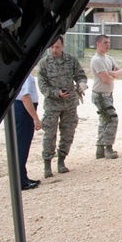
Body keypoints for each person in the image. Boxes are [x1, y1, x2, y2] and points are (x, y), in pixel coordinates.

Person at [37, 35, 88, 177]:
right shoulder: (44, 63)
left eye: (57, 47)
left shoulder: (71, 60)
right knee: (49, 135)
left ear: (63, 46)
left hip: (70, 104)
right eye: (52, 47)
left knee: (68, 133)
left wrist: (82, 84)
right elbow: (42, 85)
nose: (54, 50)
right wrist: (56, 93)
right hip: (52, 105)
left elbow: (80, 75)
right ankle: (47, 164)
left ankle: (61, 160)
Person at [90, 34, 122, 160]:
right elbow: (106, 79)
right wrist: (113, 75)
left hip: (108, 95)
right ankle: (108, 148)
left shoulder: (108, 58)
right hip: (100, 96)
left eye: (108, 42)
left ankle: (100, 150)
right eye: (105, 42)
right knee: (112, 119)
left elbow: (119, 72)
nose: (107, 45)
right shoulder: (97, 60)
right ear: (98, 44)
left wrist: (111, 73)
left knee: (104, 121)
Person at [14, 71, 42, 190]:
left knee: (23, 145)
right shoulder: (24, 75)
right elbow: (25, 97)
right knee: (22, 145)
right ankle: (20, 181)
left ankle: (23, 177)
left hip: (23, 109)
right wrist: (35, 118)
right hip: (23, 109)